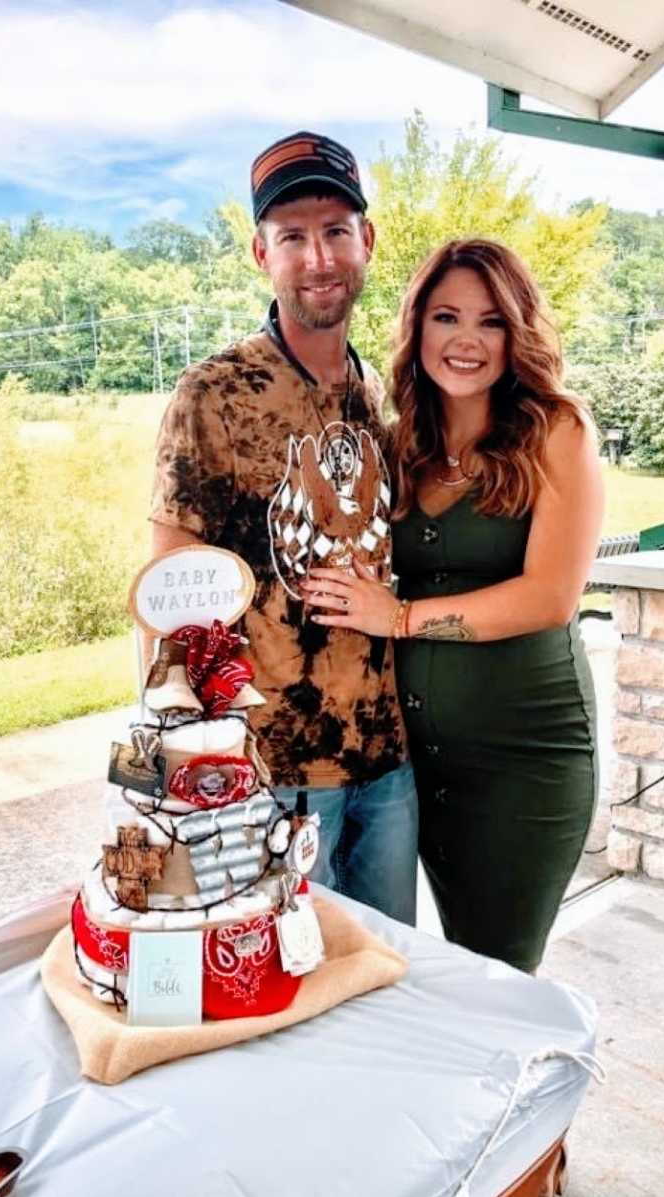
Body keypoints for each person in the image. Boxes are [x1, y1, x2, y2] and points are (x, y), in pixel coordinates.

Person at [303, 238, 604, 972]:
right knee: (446, 965)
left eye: (491, 321)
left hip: (520, 760)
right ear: (419, 330)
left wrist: (397, 618)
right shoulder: (403, 444)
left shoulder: (555, 431)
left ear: (518, 333)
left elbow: (551, 597)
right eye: (446, 317)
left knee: (500, 970)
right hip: (420, 764)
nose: (466, 340)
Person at [148, 131, 417, 925]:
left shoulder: (380, 391)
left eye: (336, 230)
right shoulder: (215, 394)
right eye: (292, 236)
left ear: (366, 241)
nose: (319, 256)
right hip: (273, 772)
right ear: (260, 252)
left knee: (386, 971)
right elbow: (172, 595)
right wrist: (187, 761)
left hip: (385, 760)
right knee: (288, 997)